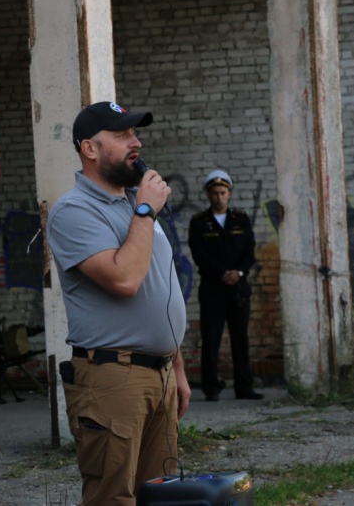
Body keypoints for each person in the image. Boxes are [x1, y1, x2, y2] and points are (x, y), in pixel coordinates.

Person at [47, 101, 191, 505]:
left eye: (135, 134)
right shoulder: (72, 212)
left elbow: (161, 289)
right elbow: (125, 279)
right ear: (89, 149)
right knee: (114, 498)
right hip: (113, 378)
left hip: (158, 375)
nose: (137, 143)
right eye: (123, 135)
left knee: (161, 497)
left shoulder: (135, 205)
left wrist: (175, 365)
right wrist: (146, 210)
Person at [188, 170, 262, 402]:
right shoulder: (199, 222)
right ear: (208, 195)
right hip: (212, 289)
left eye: (223, 192)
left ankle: (244, 387)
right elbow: (199, 254)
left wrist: (238, 273)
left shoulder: (241, 219)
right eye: (214, 193)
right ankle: (211, 388)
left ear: (229, 194)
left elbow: (249, 251)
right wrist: (222, 273)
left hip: (238, 287)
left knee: (240, 338)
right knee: (211, 338)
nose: (219, 197)